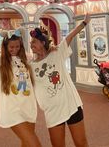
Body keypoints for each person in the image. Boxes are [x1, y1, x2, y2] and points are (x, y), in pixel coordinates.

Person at [30, 14, 90, 147]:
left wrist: (84, 23)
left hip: (71, 105)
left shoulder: (57, 53)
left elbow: (69, 36)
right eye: (31, 42)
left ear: (43, 42)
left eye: (34, 41)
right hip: (52, 111)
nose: (31, 44)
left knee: (81, 143)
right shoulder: (30, 66)